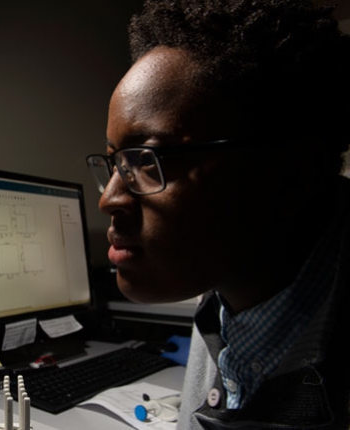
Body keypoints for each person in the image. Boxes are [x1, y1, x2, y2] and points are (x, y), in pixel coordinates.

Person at [85, 0, 350, 428]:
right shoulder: (225, 301)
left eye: (148, 160)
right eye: (116, 163)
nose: (109, 199)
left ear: (290, 168)